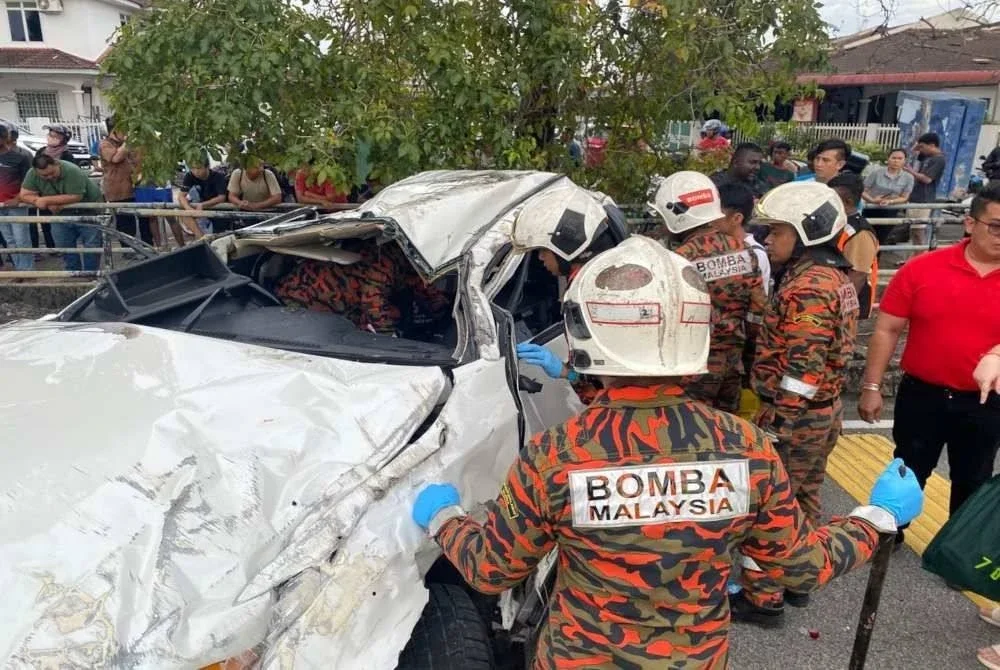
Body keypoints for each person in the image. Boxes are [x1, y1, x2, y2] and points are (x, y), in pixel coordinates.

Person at [410, 235, 925, 668]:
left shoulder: (556, 455)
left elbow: (491, 570)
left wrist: (445, 519)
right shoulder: (745, 448)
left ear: (586, 335)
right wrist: (876, 517)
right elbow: (801, 566)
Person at [736, 181, 860, 622]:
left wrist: (778, 426)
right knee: (804, 499)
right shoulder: (835, 278)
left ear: (807, 233)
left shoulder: (808, 287)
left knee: (771, 508)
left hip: (798, 416)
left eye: (778, 232)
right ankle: (796, 580)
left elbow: (802, 370)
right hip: (823, 413)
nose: (769, 241)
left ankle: (762, 597)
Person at [858, 182, 1000, 547]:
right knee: (908, 468)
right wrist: (871, 387)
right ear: (970, 223)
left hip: (985, 402)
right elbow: (887, 329)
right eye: (996, 226)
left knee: (973, 478)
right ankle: (890, 534)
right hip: (922, 394)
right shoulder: (923, 268)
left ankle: (957, 551)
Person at [649, 171, 765, 412]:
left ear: (677, 215)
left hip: (693, 369)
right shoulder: (745, 251)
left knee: (691, 433)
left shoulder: (679, 260)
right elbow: (758, 315)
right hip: (732, 367)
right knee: (727, 432)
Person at [274, 239, 450, 335]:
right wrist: (390, 339)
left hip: (337, 303)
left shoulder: (405, 263)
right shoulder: (384, 260)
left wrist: (442, 311)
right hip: (303, 299)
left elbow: (423, 286)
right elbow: (373, 304)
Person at [19, 154, 104, 272]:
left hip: (88, 210)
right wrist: (36, 200)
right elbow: (24, 194)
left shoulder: (72, 170)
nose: (49, 177)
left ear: (57, 164)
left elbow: (76, 196)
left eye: (52, 173)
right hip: (60, 213)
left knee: (91, 245)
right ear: (36, 171)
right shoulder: (32, 173)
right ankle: (73, 272)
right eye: (44, 175)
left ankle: (91, 273)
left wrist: (46, 200)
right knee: (64, 244)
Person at [829, 172, 879, 319]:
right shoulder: (839, 223)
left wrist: (840, 312)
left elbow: (857, 275)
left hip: (845, 308)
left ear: (848, 201)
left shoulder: (860, 232)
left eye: (833, 198)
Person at [98, 116, 153, 245]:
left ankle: (148, 245)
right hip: (118, 191)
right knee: (125, 222)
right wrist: (127, 143)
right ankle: (128, 249)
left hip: (136, 187)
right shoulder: (105, 144)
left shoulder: (132, 144)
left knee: (144, 219)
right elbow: (115, 158)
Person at [718, 181, 770, 294]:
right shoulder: (714, 244)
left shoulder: (755, 253)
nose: (711, 221)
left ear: (736, 218)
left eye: (717, 215)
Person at [903, 132, 947, 252]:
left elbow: (927, 179)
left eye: (923, 146)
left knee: (918, 231)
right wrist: (917, 147)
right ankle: (915, 256)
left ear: (932, 145)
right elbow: (912, 152)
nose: (920, 149)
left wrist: (911, 172)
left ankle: (921, 256)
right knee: (913, 231)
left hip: (924, 198)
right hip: (915, 197)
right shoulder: (926, 157)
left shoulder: (939, 160)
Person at [0, 125, 32, 270]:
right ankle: (20, 270)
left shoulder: (20, 158)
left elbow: (28, 183)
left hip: (17, 206)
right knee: (9, 240)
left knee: (22, 240)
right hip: (1, 207)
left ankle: (27, 272)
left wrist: (17, 199)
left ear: (4, 138)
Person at [178, 158, 229, 237]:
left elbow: (221, 197)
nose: (195, 172)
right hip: (200, 208)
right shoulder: (189, 176)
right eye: (192, 168)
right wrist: (189, 209)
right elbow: (181, 196)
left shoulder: (218, 176)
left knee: (219, 236)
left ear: (207, 167)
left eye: (198, 168)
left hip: (218, 209)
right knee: (184, 214)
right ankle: (201, 238)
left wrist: (202, 205)